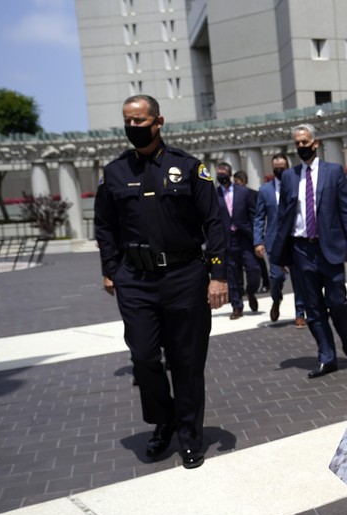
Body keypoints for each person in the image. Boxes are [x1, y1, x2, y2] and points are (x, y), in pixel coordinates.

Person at [94, 94, 229, 469]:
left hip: (185, 276)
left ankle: (188, 436)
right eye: (128, 121)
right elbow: (104, 225)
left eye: (139, 121)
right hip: (135, 280)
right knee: (143, 356)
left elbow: (214, 222)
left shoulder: (187, 167)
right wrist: (110, 267)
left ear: (158, 121)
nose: (133, 127)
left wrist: (218, 275)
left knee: (186, 362)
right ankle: (163, 418)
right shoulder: (114, 172)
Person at [270, 123, 347, 378]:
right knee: (313, 307)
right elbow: (283, 217)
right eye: (297, 143)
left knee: (337, 301)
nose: (301, 147)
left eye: (305, 142)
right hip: (300, 250)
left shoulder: (334, 172)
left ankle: (343, 333)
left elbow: (346, 211)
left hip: (329, 248)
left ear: (315, 143)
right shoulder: (289, 176)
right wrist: (281, 253)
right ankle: (327, 356)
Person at [254, 153, 307, 328]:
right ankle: (276, 299)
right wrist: (258, 241)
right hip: (275, 241)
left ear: (288, 167)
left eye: (282, 168)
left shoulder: (298, 185)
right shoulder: (265, 190)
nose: (279, 171)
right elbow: (259, 217)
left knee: (299, 278)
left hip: (295, 238)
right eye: (275, 168)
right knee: (275, 277)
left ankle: (300, 312)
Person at [216, 162, 261, 319]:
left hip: (245, 237)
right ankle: (237, 306)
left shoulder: (244, 192)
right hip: (227, 240)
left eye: (223, 174)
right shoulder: (214, 195)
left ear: (229, 174)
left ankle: (251, 291)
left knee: (254, 270)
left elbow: (254, 215)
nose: (220, 177)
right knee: (232, 275)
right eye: (218, 174)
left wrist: (257, 237)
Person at [234, 170, 270, 293]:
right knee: (238, 261)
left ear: (244, 182)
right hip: (238, 234)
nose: (236, 185)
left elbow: (258, 214)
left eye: (238, 182)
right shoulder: (233, 195)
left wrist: (258, 233)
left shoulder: (254, 194)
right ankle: (241, 287)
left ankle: (266, 283)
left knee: (259, 258)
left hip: (251, 232)